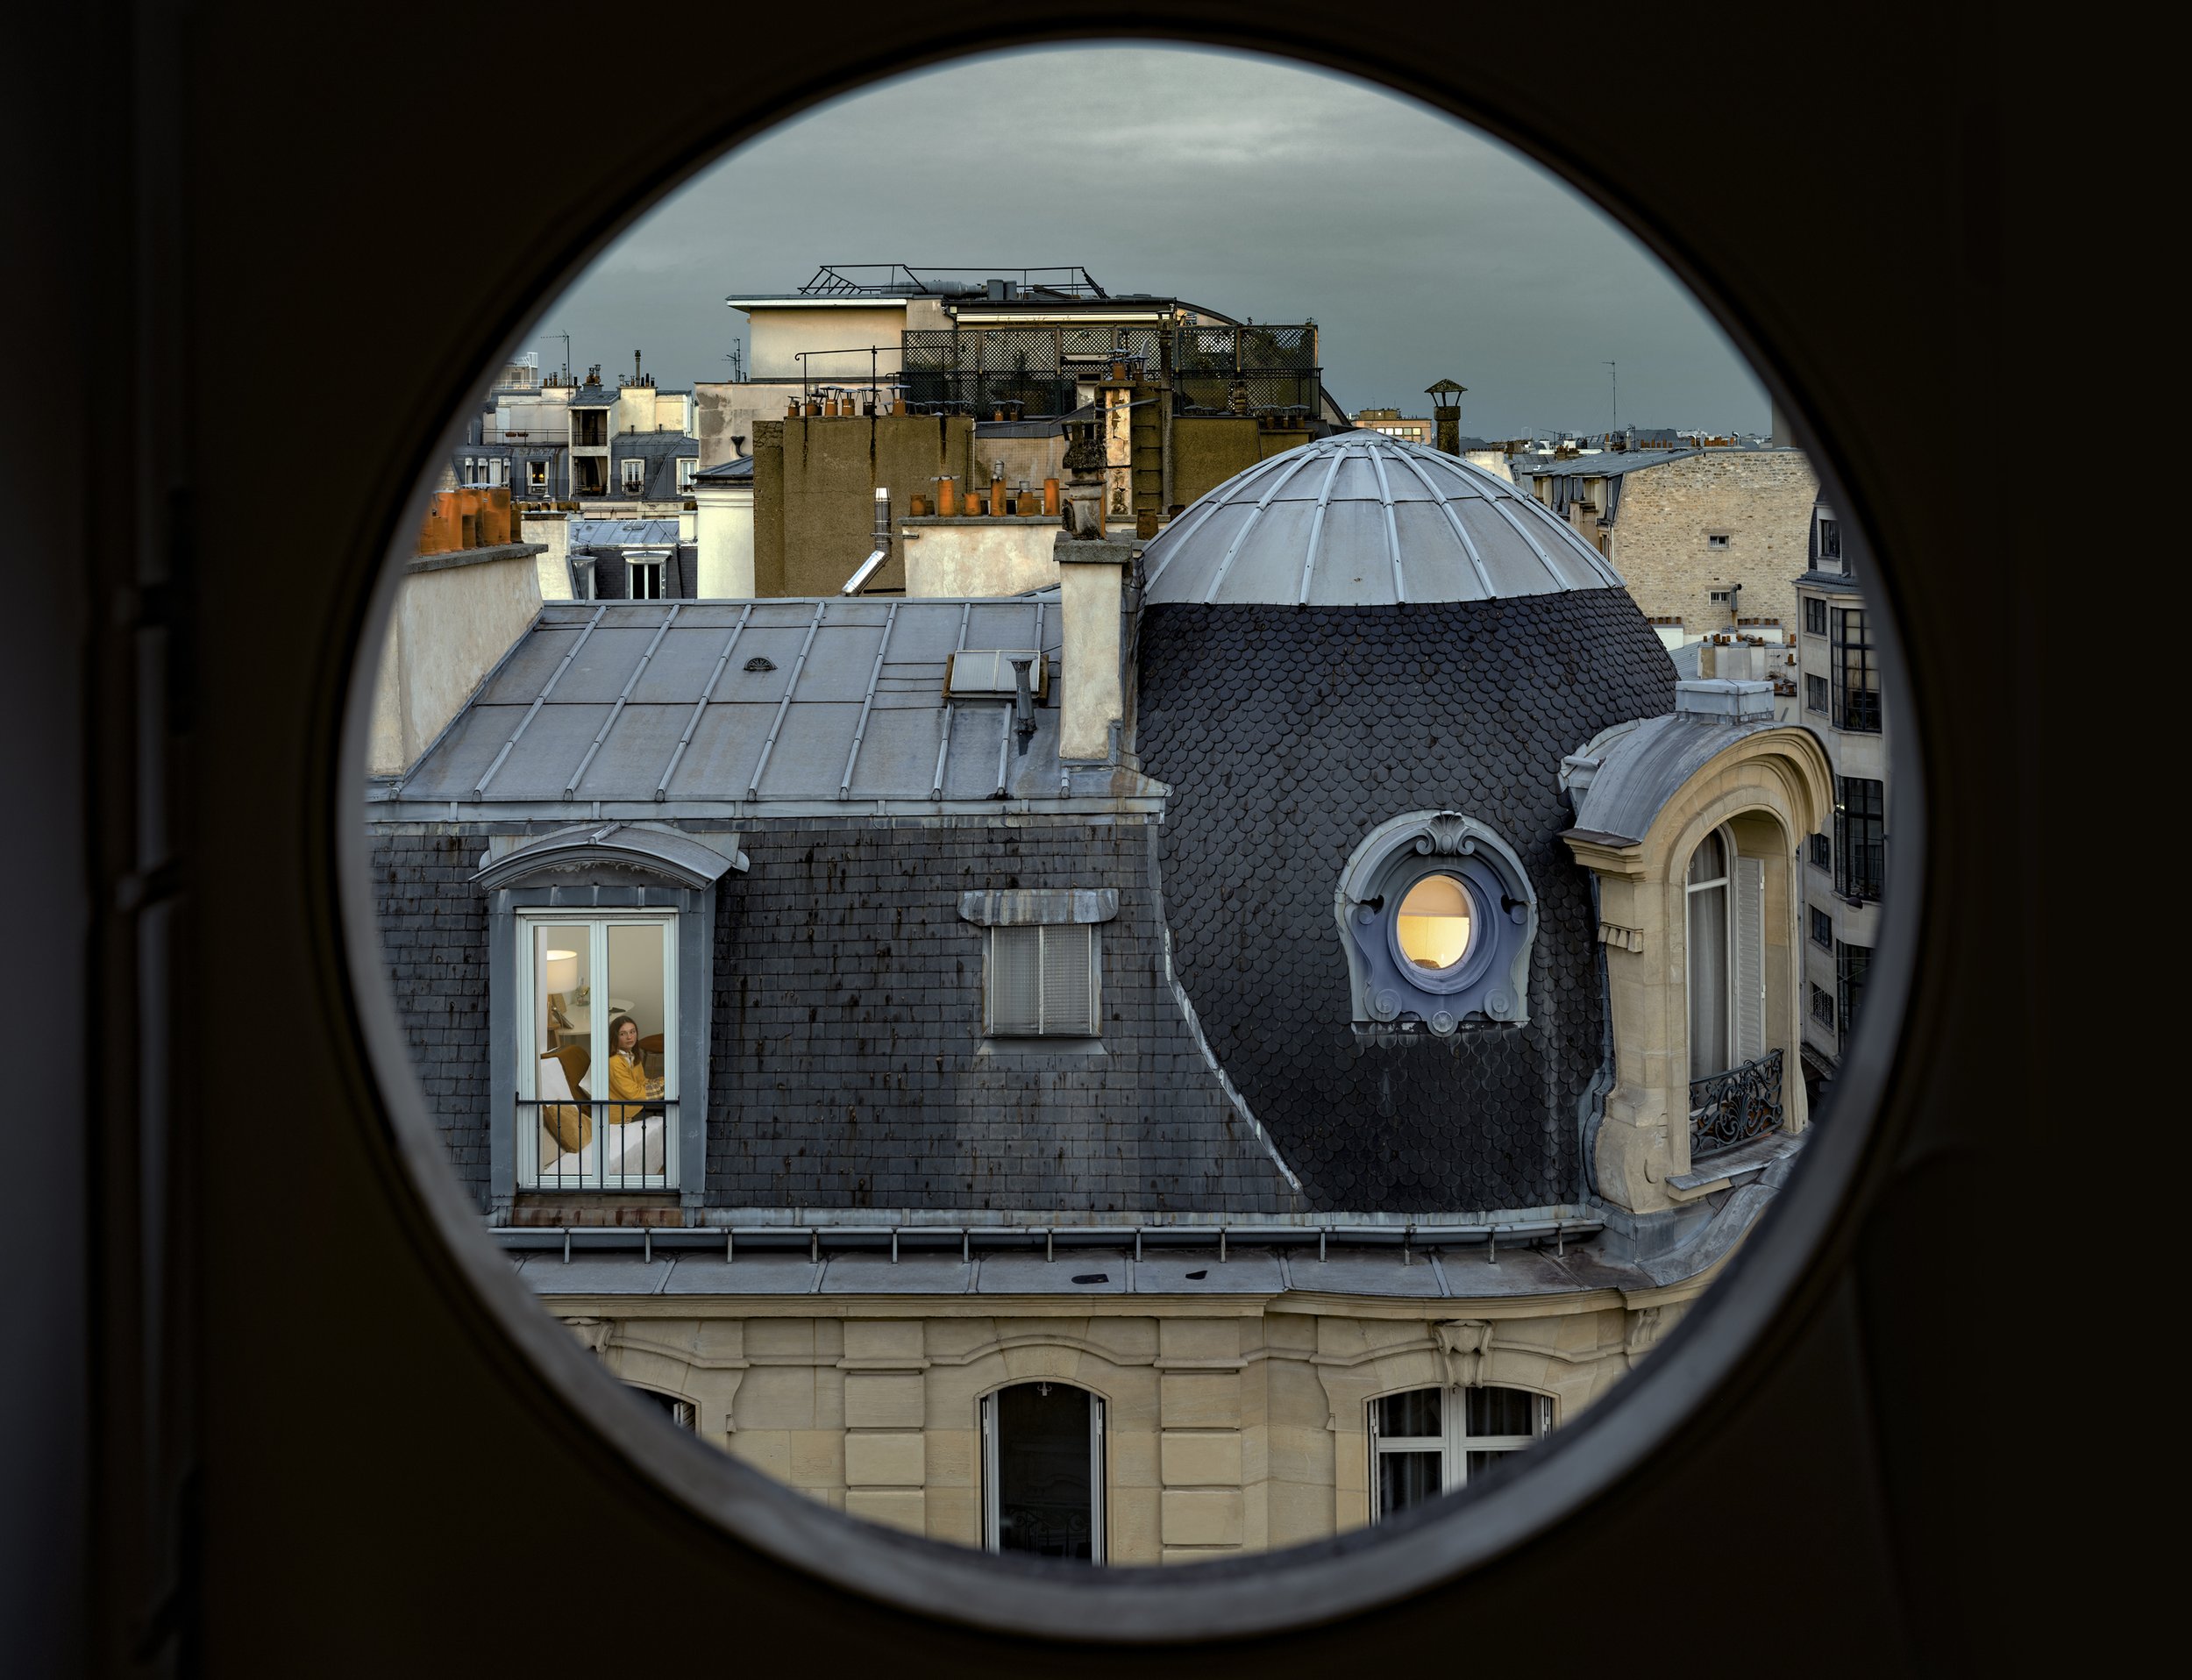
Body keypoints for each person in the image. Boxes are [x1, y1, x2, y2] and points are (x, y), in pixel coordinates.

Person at [602, 1014, 653, 1126]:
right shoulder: (614, 1062)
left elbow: (642, 1082)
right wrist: (662, 1088)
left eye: (632, 1032)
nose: (630, 1037)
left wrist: (664, 1083)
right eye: (623, 1034)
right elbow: (634, 1094)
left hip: (635, 1107)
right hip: (621, 1114)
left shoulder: (632, 1055)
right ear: (615, 1037)